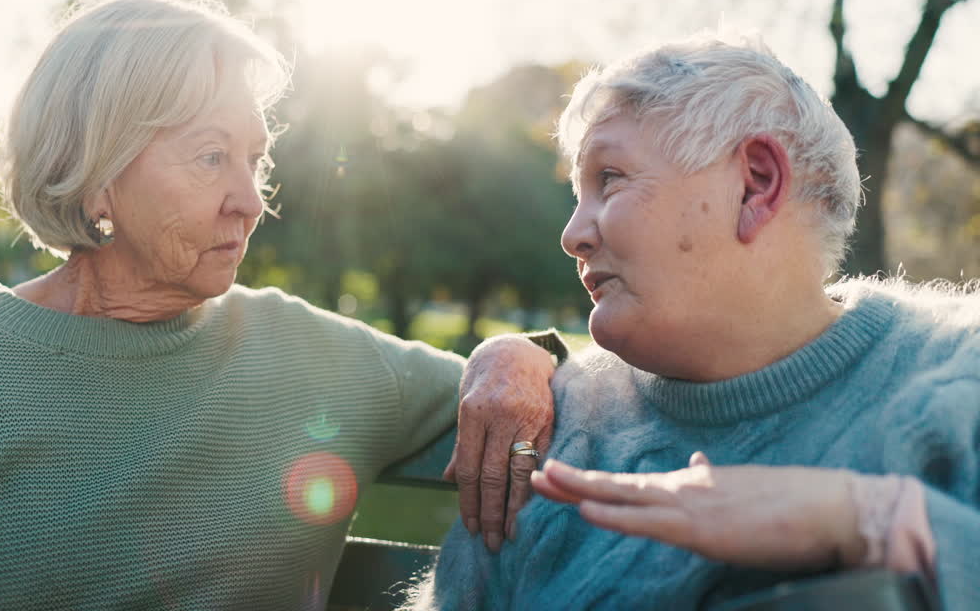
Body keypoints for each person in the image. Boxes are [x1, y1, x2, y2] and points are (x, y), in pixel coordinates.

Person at [0, 0, 565, 611]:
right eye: (211, 156)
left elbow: (525, 376)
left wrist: (512, 352)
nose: (250, 201)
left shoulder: (315, 352)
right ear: (97, 174)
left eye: (254, 161)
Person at [408, 32, 980, 610]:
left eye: (609, 178)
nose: (572, 235)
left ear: (756, 184)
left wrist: (870, 521)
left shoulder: (962, 380)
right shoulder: (549, 423)